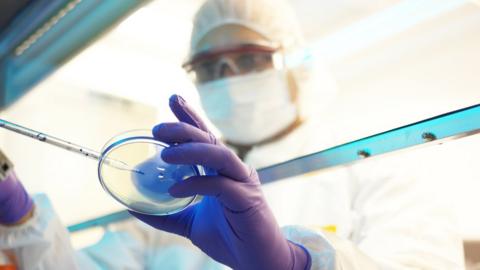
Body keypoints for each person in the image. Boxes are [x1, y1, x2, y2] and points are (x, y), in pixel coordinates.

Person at [0, 0, 465, 269]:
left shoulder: (380, 164)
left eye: (248, 59)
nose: (228, 78)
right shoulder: (179, 186)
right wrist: (21, 215)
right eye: (209, 67)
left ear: (296, 65)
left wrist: (299, 263)